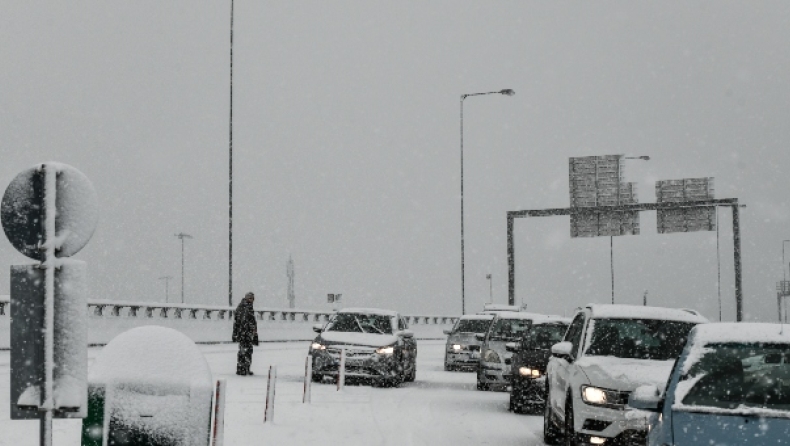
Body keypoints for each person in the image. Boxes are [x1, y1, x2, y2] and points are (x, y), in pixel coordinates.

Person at [233, 292, 258, 375]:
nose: (252, 300)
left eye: (252, 298)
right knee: (244, 351)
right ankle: (242, 369)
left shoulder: (247, 306)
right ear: (247, 298)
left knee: (246, 351)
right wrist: (249, 329)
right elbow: (242, 321)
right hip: (244, 333)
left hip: (246, 333)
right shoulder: (244, 307)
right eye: (250, 298)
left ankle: (245, 368)